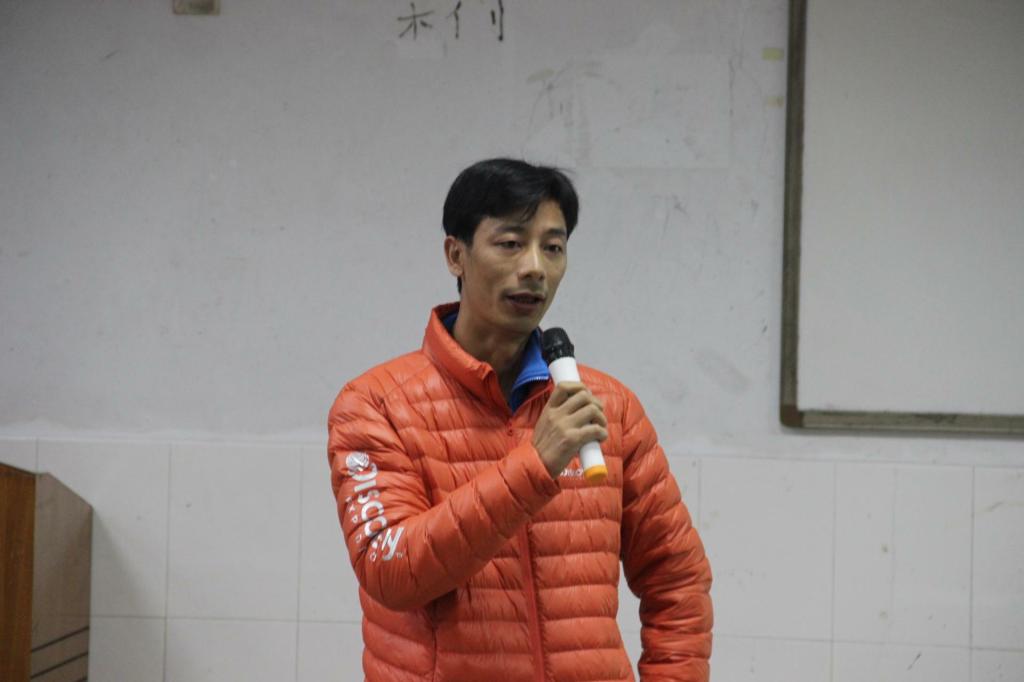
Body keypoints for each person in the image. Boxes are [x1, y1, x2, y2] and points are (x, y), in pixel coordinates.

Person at [327, 158, 713, 682]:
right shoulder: (375, 405)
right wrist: (535, 465)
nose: (535, 267)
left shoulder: (609, 407)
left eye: (553, 248)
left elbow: (677, 579)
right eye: (510, 243)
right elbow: (390, 573)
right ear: (455, 255)